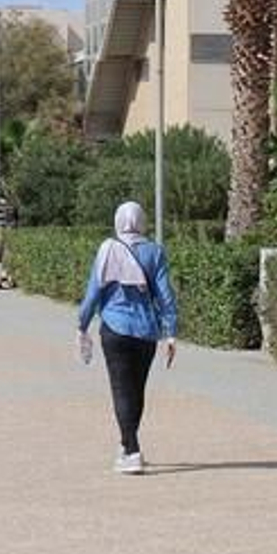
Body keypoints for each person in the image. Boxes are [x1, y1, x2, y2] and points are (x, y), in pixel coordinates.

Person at [76, 201, 179, 475]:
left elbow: (93, 292)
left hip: (114, 329)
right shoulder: (155, 252)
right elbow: (165, 296)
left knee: (121, 390)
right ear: (142, 221)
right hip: (146, 332)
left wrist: (82, 324)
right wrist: (170, 333)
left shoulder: (107, 250)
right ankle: (127, 444)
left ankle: (131, 451)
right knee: (137, 390)